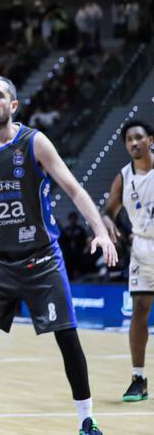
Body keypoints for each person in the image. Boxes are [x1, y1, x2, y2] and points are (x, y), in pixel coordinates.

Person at [0, 75, 118, 435]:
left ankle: (86, 420)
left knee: (67, 337)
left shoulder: (34, 142)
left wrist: (100, 231)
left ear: (13, 105)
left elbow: (73, 188)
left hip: (42, 259)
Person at [101, 119, 154, 402]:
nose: (133, 143)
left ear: (150, 140)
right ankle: (138, 377)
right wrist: (108, 225)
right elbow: (108, 210)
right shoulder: (124, 175)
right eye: (129, 140)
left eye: (138, 137)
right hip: (142, 247)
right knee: (140, 311)